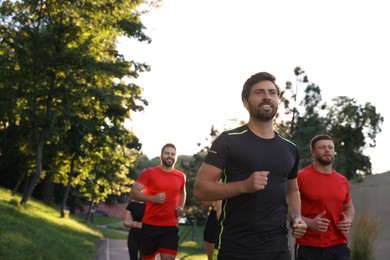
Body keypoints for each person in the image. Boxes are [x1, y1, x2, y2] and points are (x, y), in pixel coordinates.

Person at [193, 71, 307, 260]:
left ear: (278, 101)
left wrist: (296, 217)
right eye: (259, 92)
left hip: (278, 248)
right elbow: (200, 189)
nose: (267, 97)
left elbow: (292, 190)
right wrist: (243, 186)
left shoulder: (290, 149)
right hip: (236, 247)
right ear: (245, 102)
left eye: (272, 93)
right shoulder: (228, 141)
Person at [295, 134, 355, 260]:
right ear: (312, 152)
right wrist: (309, 223)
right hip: (309, 246)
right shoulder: (300, 177)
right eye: (322, 147)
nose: (327, 150)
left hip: (339, 246)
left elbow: (349, 208)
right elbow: (288, 210)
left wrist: (348, 220)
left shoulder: (342, 180)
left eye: (330, 147)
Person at [130, 143, 187, 260]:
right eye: (167, 153)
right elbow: (133, 192)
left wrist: (180, 207)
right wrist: (152, 198)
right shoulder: (149, 173)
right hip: (150, 225)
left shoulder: (181, 176)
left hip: (170, 226)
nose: (170, 156)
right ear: (161, 156)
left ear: (175, 157)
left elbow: (182, 192)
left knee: (169, 257)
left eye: (172, 154)